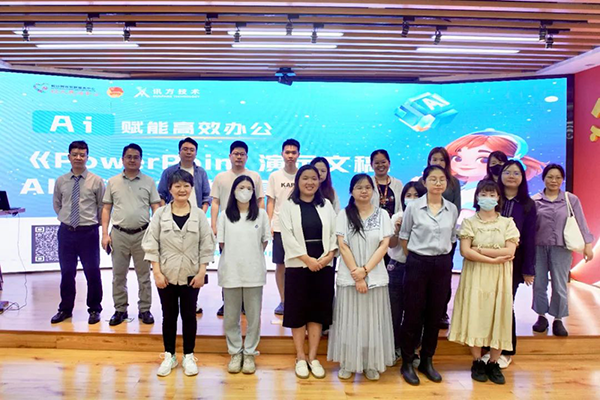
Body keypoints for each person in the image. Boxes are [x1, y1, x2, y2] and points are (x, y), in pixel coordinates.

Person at [142, 170, 215, 377]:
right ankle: (170, 355)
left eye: (186, 186)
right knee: (169, 315)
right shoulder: (160, 214)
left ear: (191, 188)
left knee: (189, 315)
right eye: (177, 186)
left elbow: (206, 245)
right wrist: (157, 272)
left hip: (192, 274)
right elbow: (151, 244)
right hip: (166, 274)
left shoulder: (199, 215)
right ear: (170, 189)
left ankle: (189, 355)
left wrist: (202, 272)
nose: (182, 190)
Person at [448, 180, 519, 385]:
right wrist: (493, 258)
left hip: (499, 279)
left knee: (499, 315)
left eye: (492, 194)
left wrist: (479, 250)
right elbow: (465, 251)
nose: (488, 198)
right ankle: (477, 361)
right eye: (484, 194)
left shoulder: (507, 223)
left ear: (498, 198)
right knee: (476, 313)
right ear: (477, 197)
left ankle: (494, 362)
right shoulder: (469, 222)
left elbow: (510, 251)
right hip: (476, 276)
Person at [328, 173, 395, 381]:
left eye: (367, 187)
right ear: (351, 191)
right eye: (359, 187)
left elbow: (384, 246)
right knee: (350, 321)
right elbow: (343, 245)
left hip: (375, 277)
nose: (364, 191)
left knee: (371, 321)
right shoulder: (344, 214)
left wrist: (365, 271)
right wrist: (357, 276)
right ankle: (348, 362)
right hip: (350, 277)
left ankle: (370, 363)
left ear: (373, 190)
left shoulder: (382, 215)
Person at [398, 165, 458, 386]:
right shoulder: (414, 207)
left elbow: (452, 238)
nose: (438, 183)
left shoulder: (452, 208)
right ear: (425, 182)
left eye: (442, 179)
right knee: (413, 313)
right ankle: (407, 361)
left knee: (435, 315)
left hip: (441, 264)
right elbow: (404, 236)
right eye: (433, 179)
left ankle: (427, 360)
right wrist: (417, 258)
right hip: (417, 263)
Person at [279, 165, 337, 379]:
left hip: (323, 266)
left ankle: (313, 357)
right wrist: (307, 259)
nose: (310, 182)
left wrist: (328, 257)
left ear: (319, 181)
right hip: (298, 266)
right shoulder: (288, 206)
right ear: (298, 181)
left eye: (314, 178)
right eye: (305, 178)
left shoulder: (326, 205)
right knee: (298, 313)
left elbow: (334, 233)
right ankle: (300, 356)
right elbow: (287, 237)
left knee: (317, 312)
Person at [101, 143, 161, 326]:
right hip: (119, 234)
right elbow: (106, 208)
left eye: (136, 157)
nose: (132, 160)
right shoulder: (113, 182)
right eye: (129, 157)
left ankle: (145, 309)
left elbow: (156, 207)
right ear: (122, 159)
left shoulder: (149, 181)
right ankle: (120, 309)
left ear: (141, 160)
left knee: (144, 276)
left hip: (143, 234)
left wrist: (156, 233)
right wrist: (104, 234)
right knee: (118, 275)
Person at [532, 164, 594, 337]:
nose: (554, 180)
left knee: (559, 285)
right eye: (550, 177)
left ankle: (558, 319)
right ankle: (541, 316)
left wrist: (587, 245)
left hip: (562, 248)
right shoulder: (534, 200)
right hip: (538, 248)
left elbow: (581, 222)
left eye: (558, 177)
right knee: (539, 284)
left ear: (562, 179)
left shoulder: (570, 199)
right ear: (543, 178)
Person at [217, 175, 270, 375]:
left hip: (254, 272)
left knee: (254, 316)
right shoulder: (224, 215)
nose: (245, 191)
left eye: (249, 188)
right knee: (231, 317)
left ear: (254, 192)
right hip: (230, 271)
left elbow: (264, 241)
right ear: (233, 191)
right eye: (241, 187)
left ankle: (249, 353)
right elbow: (222, 243)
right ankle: (235, 352)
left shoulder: (261, 215)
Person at [489, 160, 537, 368]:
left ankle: (506, 350)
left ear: (522, 178)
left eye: (516, 173)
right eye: (507, 172)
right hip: (489, 259)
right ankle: (489, 347)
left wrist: (528, 269)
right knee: (490, 304)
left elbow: (530, 238)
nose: (511, 176)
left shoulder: (528, 204)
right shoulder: (491, 199)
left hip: (513, 262)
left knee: (506, 304)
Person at [51, 140, 105, 325]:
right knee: (67, 272)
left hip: (88, 232)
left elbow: (101, 207)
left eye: (82, 155)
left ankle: (95, 309)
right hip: (66, 232)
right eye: (75, 154)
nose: (78, 158)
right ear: (69, 157)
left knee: (92, 272)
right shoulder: (61, 181)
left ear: (87, 157)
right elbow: (57, 204)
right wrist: (67, 219)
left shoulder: (96, 181)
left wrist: (92, 224)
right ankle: (65, 309)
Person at [157, 137, 211, 314]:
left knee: (192, 261)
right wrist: (166, 212)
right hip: (173, 219)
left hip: (194, 220)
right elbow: (161, 194)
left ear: (196, 152)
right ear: (179, 151)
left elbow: (206, 196)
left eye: (192, 150)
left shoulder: (201, 172)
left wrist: (200, 213)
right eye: (185, 149)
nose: (188, 152)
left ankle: (191, 302)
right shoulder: (169, 171)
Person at [211, 140, 264, 316]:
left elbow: (260, 201)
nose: (239, 157)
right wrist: (214, 224)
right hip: (228, 226)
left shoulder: (254, 177)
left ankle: (245, 304)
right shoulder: (220, 177)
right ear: (230, 156)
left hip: (250, 227)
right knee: (228, 265)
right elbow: (216, 202)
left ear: (247, 157)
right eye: (236, 154)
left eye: (242, 154)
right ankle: (227, 302)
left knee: (249, 265)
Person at [387, 181, 426, 363]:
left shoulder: (427, 218)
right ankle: (394, 347)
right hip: (397, 267)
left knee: (415, 311)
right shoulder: (397, 216)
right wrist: (397, 230)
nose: (412, 199)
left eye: (416, 195)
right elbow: (391, 245)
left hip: (419, 268)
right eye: (408, 195)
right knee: (394, 311)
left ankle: (412, 349)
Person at [423, 146, 461, 329]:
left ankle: (441, 312)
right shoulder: (423, 182)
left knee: (443, 277)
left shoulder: (453, 183)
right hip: (424, 238)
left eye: (441, 160)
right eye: (434, 159)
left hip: (446, 237)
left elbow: (456, 210)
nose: (438, 163)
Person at [266, 139, 300, 316]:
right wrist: (269, 223)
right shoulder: (275, 176)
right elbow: (270, 201)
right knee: (280, 265)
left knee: (299, 264)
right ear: (282, 154)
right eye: (287, 152)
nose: (290, 156)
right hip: (279, 227)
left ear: (298, 155)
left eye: (293, 152)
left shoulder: (303, 175)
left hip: (299, 227)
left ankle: (297, 299)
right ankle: (283, 300)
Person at [370, 149, 404, 218]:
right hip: (372, 223)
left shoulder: (397, 184)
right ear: (371, 165)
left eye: (383, 162)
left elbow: (401, 207)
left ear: (389, 163)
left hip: (394, 223)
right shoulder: (368, 183)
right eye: (377, 163)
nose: (380, 165)